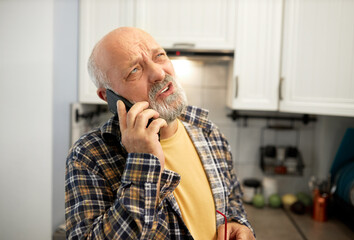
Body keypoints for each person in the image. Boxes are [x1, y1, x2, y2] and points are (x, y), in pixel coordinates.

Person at [65, 27, 255, 240]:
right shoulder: (88, 156)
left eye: (160, 56)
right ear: (108, 96)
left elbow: (233, 198)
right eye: (134, 70)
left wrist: (239, 222)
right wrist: (142, 162)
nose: (158, 73)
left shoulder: (208, 132)